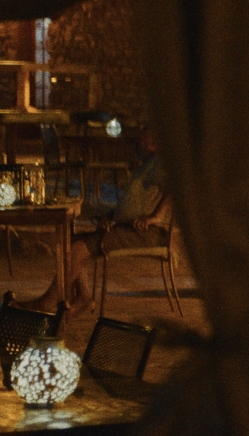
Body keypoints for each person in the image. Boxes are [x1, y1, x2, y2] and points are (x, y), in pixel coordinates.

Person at [32, 133, 173, 314]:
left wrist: (155, 216)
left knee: (76, 250)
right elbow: (132, 203)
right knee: (70, 243)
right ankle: (83, 297)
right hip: (126, 227)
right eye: (143, 137)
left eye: (150, 139)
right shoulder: (147, 164)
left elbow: (174, 189)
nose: (143, 142)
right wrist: (110, 216)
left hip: (146, 232)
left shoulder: (161, 164)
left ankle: (47, 302)